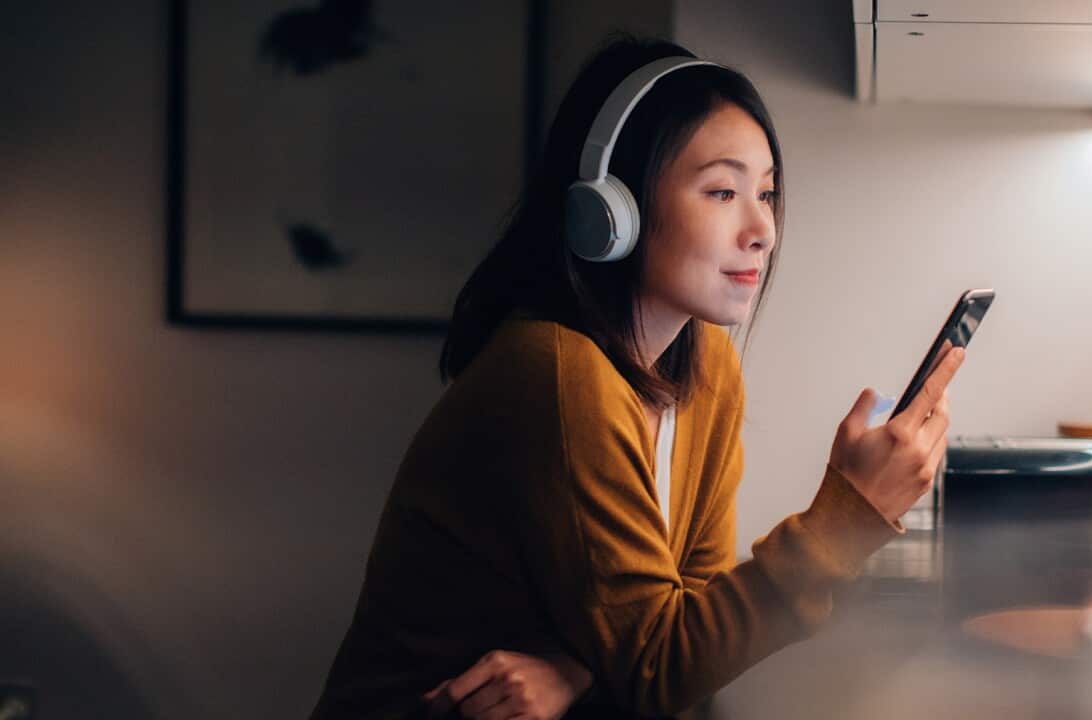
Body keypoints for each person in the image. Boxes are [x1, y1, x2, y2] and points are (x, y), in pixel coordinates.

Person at [309, 34, 964, 720]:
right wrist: (850, 515)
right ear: (610, 211)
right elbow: (661, 668)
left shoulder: (709, 367)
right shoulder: (555, 374)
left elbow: (689, 621)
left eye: (766, 192)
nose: (763, 228)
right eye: (722, 190)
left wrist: (579, 668)